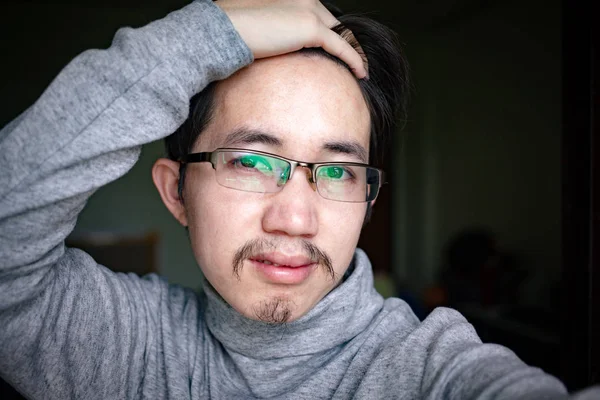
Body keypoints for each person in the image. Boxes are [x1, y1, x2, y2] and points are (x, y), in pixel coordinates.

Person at [0, 0, 597, 398]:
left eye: (338, 174)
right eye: (253, 161)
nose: (296, 218)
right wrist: (210, 32)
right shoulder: (119, 347)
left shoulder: (424, 367)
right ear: (176, 191)